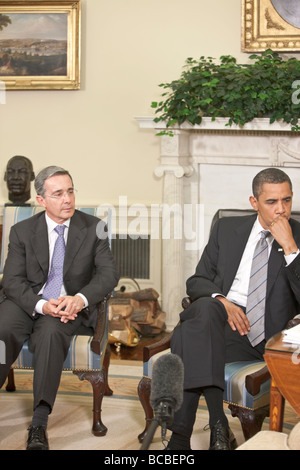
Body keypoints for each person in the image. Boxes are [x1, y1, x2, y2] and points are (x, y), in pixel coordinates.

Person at [168, 167, 300, 450]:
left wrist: (290, 248)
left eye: (286, 201)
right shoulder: (227, 229)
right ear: (254, 203)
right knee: (204, 311)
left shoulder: (297, 235)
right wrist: (223, 301)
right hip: (225, 321)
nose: (281, 210)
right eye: (271, 202)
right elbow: (198, 280)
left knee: (186, 336)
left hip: (270, 335)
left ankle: (184, 438)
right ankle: (217, 426)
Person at [0, 166, 120, 450]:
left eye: (70, 191)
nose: (67, 199)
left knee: (51, 334)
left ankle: (39, 423)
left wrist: (78, 299)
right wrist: (42, 304)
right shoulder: (22, 231)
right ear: (41, 200)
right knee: (2, 328)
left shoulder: (94, 228)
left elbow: (108, 275)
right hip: (28, 301)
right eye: (58, 194)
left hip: (69, 306)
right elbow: (12, 281)